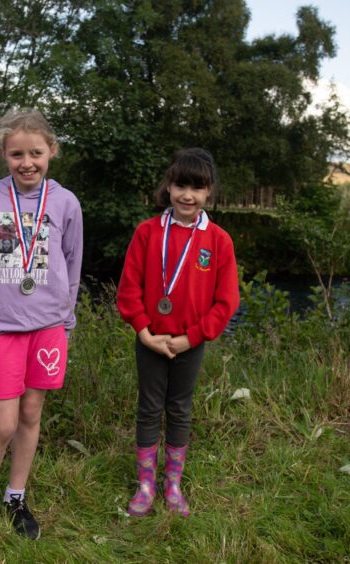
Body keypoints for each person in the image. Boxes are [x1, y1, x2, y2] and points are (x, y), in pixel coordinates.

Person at [0, 109, 83, 539]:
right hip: (0, 325)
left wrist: (66, 317)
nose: (26, 162)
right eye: (17, 154)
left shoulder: (66, 202)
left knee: (31, 414)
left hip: (48, 324)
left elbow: (73, 260)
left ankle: (16, 495)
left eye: (36, 152)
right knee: (4, 423)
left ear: (52, 150)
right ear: (4, 154)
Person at [116, 148, 238, 518]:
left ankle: (173, 485)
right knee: (149, 408)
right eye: (181, 185)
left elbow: (226, 301)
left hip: (190, 342)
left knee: (180, 410)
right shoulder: (147, 232)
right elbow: (129, 288)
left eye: (197, 188)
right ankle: (145, 485)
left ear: (209, 193)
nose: (187, 195)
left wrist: (194, 337)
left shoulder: (219, 241)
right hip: (150, 340)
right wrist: (144, 331)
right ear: (168, 187)